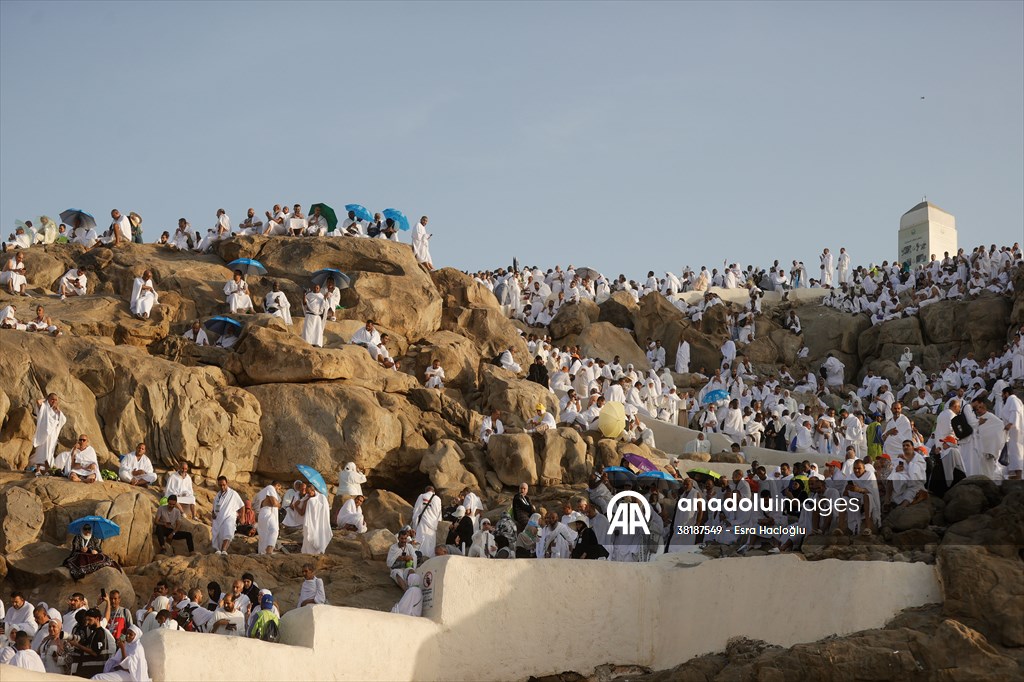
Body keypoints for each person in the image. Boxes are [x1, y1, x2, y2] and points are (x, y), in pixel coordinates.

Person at [30, 393, 67, 475]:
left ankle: (46, 470)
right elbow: (38, 402)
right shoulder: (44, 407)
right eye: (52, 399)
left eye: (56, 400)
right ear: (48, 399)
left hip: (52, 435)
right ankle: (38, 470)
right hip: (43, 434)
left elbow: (63, 420)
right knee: (41, 451)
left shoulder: (56, 411)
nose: (54, 401)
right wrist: (45, 399)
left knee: (49, 452)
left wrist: (58, 411)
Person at [210, 476, 244, 555]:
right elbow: (214, 508)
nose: (222, 487)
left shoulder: (233, 494)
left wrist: (242, 517)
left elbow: (242, 505)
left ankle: (224, 550)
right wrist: (213, 513)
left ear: (227, 483)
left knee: (228, 531)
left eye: (224, 485)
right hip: (219, 518)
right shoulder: (217, 496)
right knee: (217, 534)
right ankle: (218, 550)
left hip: (229, 516)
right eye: (220, 485)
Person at [411, 486, 442, 557]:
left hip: (422, 523)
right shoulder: (438, 499)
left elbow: (416, 511)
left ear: (426, 491)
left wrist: (414, 526)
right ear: (433, 491)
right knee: (431, 544)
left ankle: (419, 559)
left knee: (420, 542)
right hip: (433, 525)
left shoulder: (422, 496)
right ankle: (429, 560)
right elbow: (439, 514)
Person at [253, 481, 282, 555]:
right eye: (279, 488)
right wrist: (279, 505)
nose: (279, 490)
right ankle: (269, 551)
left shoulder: (262, 491)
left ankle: (263, 553)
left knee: (264, 535)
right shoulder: (270, 487)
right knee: (274, 530)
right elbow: (274, 503)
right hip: (268, 512)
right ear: (277, 485)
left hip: (262, 513)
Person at [301, 485, 332, 554]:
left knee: (320, 535)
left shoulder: (322, 497)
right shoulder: (309, 500)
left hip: (321, 521)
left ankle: (319, 550)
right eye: (307, 493)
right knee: (309, 534)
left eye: (309, 492)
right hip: (312, 521)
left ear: (313, 490)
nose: (308, 494)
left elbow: (325, 510)